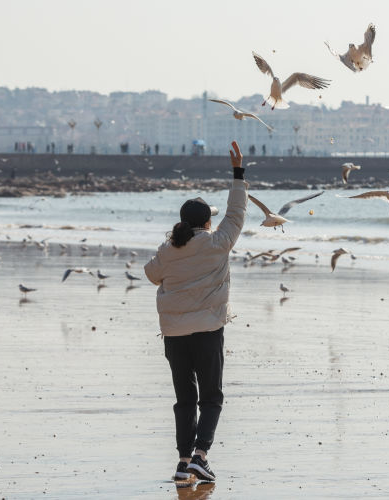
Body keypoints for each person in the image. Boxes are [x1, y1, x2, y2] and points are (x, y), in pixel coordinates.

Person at [144, 141, 247, 482]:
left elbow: (150, 273)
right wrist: (237, 172)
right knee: (212, 398)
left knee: (185, 400)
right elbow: (236, 212)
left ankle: (183, 462)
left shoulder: (169, 248)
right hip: (207, 331)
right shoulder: (219, 242)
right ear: (206, 222)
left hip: (174, 335)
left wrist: (169, 257)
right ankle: (201, 456)